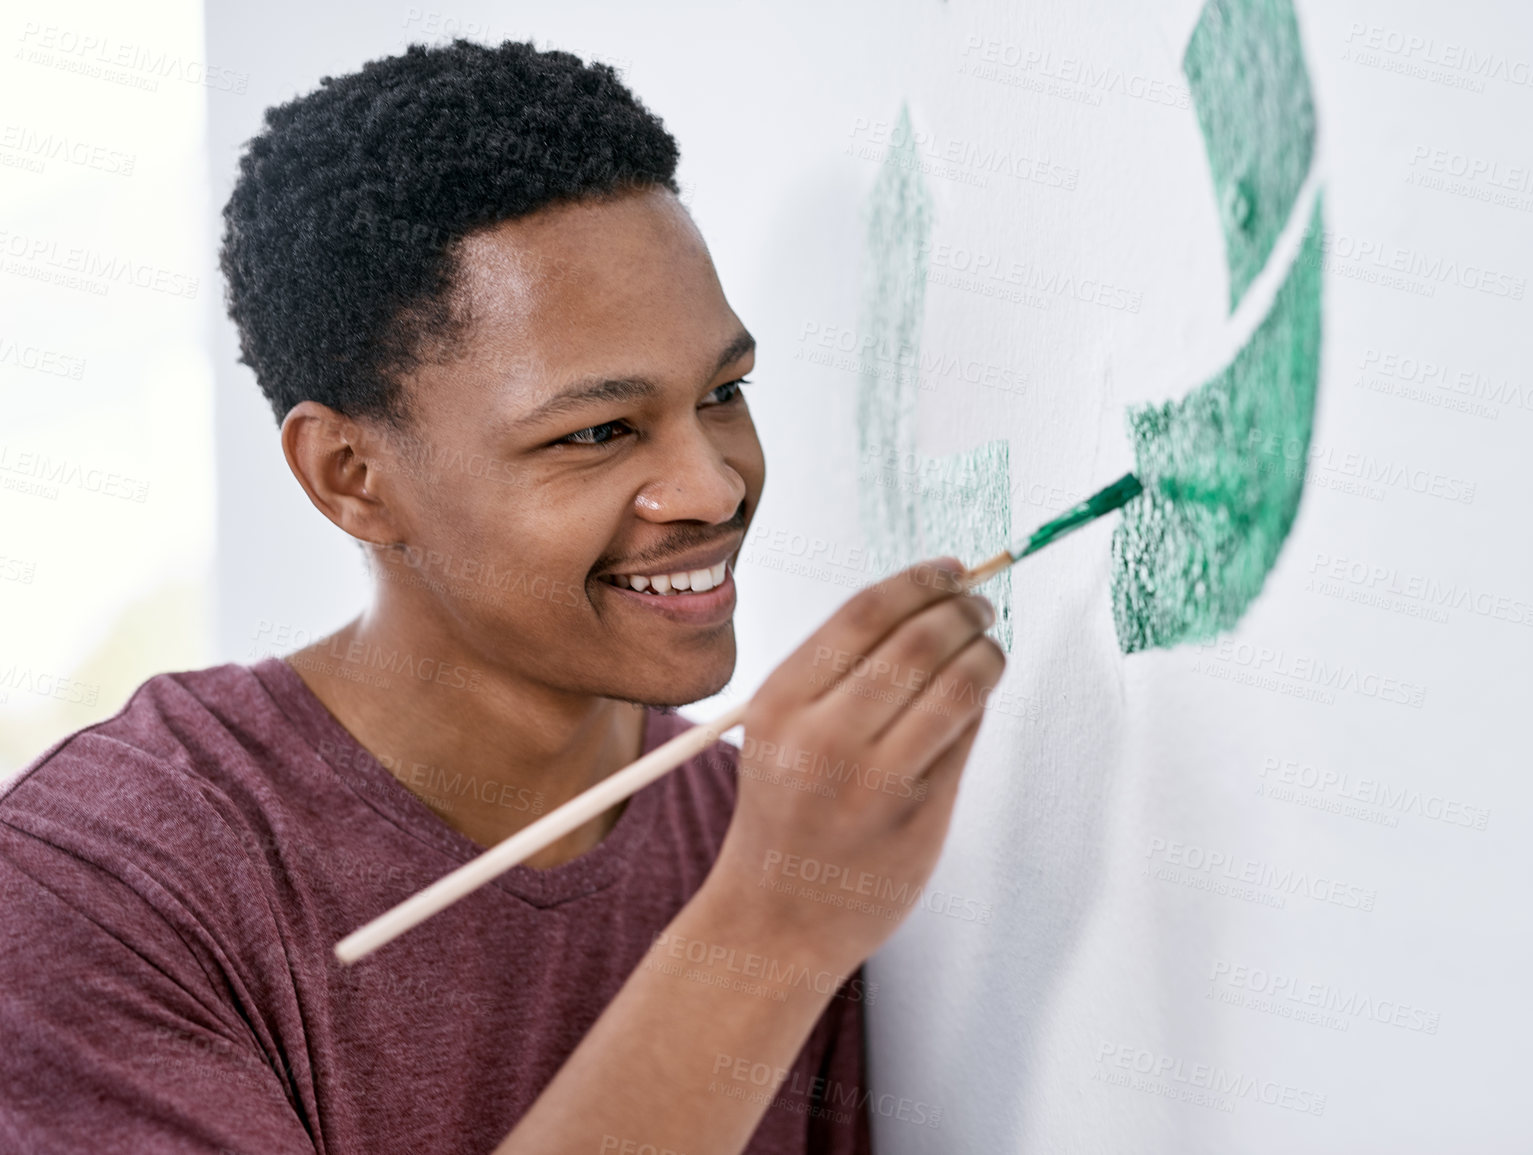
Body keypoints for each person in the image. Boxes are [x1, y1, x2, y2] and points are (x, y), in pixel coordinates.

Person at [0, 40, 1003, 1155]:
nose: (712, 485)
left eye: (724, 391)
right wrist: (770, 929)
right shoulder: (104, 880)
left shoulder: (765, 831)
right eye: (596, 432)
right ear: (351, 475)